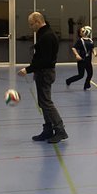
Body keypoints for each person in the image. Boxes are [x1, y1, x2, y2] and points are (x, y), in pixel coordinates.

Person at [18, 11, 68, 144]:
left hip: (46, 73)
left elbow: (45, 60)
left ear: (38, 22)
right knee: (43, 103)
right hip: (41, 72)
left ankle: (60, 130)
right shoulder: (43, 34)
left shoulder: (47, 36)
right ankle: (48, 129)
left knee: (46, 103)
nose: (30, 27)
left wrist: (28, 69)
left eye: (31, 24)